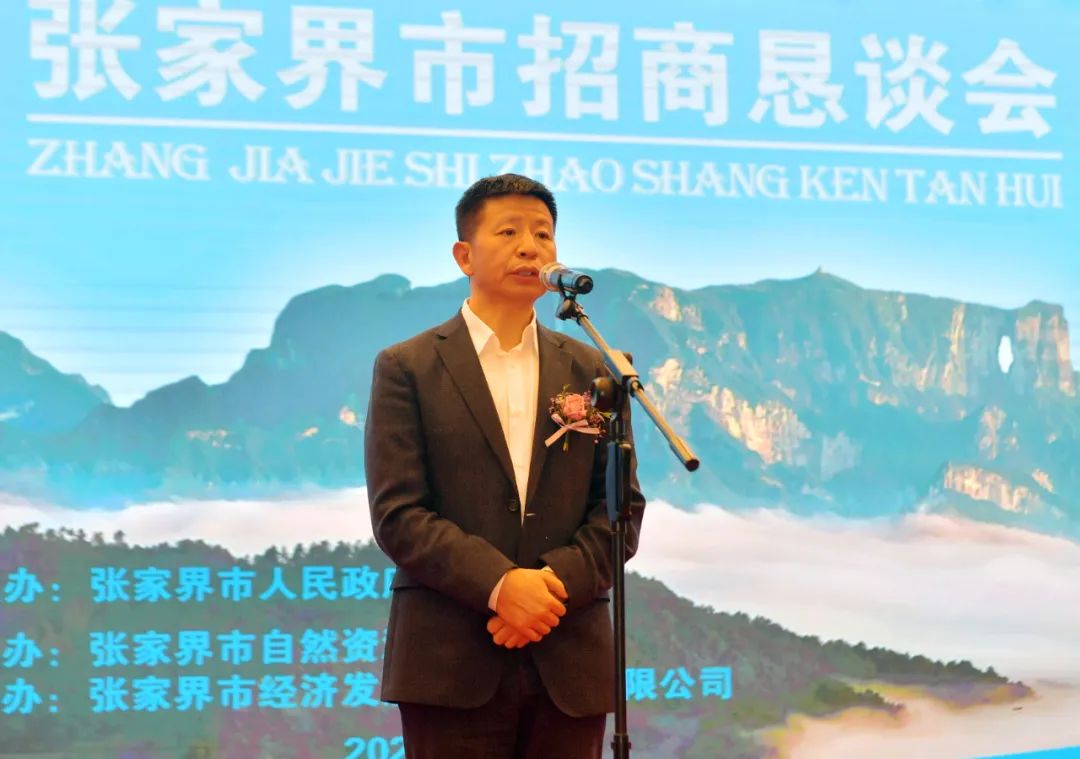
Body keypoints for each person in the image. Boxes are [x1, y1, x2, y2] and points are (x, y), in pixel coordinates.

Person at [365, 173, 646, 758]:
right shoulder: (407, 366)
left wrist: (548, 587)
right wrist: (501, 587)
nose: (530, 247)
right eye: (509, 232)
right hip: (450, 659)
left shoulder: (595, 370)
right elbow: (399, 513)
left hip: (568, 655)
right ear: (464, 255)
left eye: (542, 234)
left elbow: (620, 509)